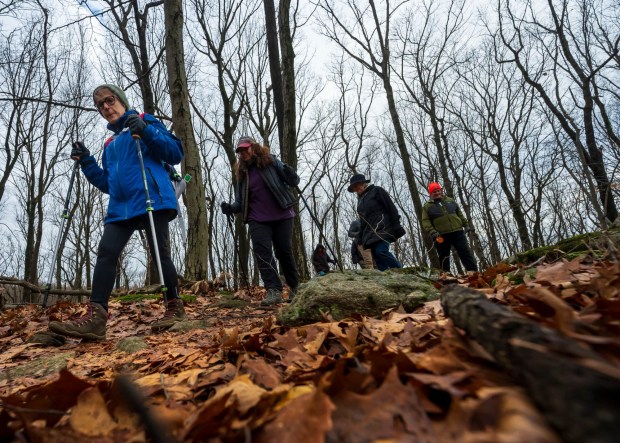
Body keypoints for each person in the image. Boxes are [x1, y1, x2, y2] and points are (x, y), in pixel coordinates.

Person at [48, 84, 186, 341]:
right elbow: (107, 183)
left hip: (151, 196)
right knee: (106, 253)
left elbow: (175, 152)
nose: (106, 107)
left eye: (109, 100)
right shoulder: (110, 143)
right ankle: (96, 318)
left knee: (160, 254)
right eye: (100, 105)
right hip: (121, 207)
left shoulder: (145, 120)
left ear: (121, 100)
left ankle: (174, 307)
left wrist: (145, 131)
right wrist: (87, 161)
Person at [221, 136, 300, 306]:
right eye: (240, 151)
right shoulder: (242, 173)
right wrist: (231, 208)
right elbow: (240, 202)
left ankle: (294, 286)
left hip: (282, 213)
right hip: (258, 218)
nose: (243, 153)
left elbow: (292, 181)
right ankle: (273, 290)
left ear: (254, 147)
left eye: (245, 148)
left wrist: (291, 174)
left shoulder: (271, 161)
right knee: (263, 253)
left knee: (284, 251)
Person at [347, 174, 404, 271]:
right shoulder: (360, 203)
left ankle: (402, 271)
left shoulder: (377, 191)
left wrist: (396, 223)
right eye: (354, 187)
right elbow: (363, 222)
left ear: (364, 183)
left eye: (358, 185)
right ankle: (385, 280)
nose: (356, 189)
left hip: (383, 228)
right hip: (369, 234)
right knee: (378, 259)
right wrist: (360, 237)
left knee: (381, 251)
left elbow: (390, 207)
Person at [421, 182, 478, 273]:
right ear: (430, 194)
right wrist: (432, 231)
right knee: (444, 255)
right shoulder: (427, 206)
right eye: (434, 192)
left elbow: (459, 214)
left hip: (458, 231)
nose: (437, 193)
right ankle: (446, 274)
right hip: (440, 235)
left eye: (438, 190)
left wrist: (466, 225)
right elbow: (425, 221)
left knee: (464, 251)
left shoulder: (450, 201)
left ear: (441, 191)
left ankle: (473, 271)